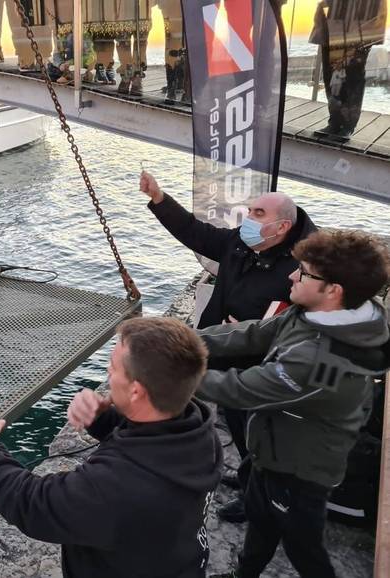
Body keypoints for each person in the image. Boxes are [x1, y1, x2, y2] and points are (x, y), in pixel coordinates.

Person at [0, 317, 222, 578]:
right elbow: (148, 435)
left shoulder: (118, 487)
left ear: (136, 391)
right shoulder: (197, 431)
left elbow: (30, 503)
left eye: (112, 369)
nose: (107, 374)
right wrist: (102, 417)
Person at [200, 229, 390, 578]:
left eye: (302, 272)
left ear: (333, 290)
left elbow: (239, 390)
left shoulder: (321, 361)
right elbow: (257, 332)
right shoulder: (315, 311)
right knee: (261, 521)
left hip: (300, 470)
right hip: (272, 450)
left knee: (302, 547)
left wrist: (162, 369)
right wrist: (186, 339)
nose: (291, 275)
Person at [139, 170, 317, 522]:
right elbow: (197, 234)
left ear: (281, 228)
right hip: (219, 347)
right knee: (234, 424)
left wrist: (261, 331)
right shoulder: (241, 241)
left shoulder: (304, 267)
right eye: (250, 211)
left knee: (255, 431)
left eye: (258, 214)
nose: (248, 219)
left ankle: (256, 496)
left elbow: (308, 321)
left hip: (258, 364)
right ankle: (245, 472)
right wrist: (159, 198)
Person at [310, 0, 387, 139]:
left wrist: (374, 32)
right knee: (332, 75)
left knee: (353, 77)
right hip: (335, 23)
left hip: (362, 27)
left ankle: (348, 126)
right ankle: (335, 121)